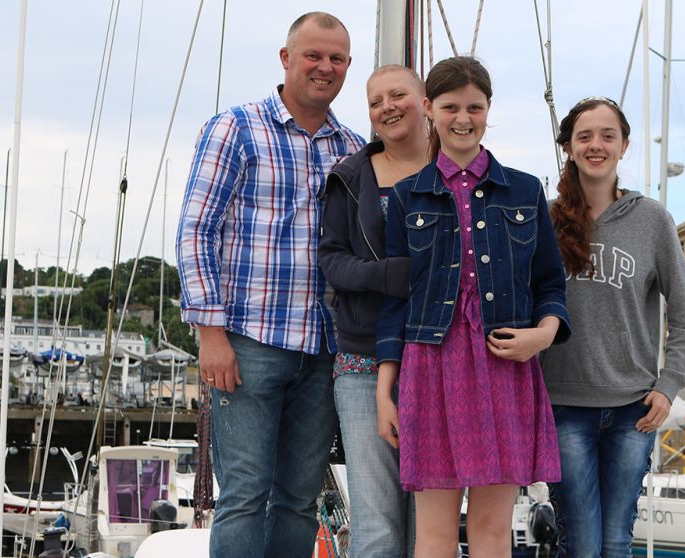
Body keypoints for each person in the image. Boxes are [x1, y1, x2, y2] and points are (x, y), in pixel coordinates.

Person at [176, 12, 365, 558]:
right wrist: (210, 333)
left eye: (337, 58)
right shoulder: (235, 128)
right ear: (286, 58)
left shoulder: (352, 148)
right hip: (248, 342)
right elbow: (196, 230)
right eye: (314, 55)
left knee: (298, 500)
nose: (325, 67)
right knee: (243, 495)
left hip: (324, 349)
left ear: (348, 67)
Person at [375, 56, 571, 558]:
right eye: (451, 106)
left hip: (505, 365)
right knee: (435, 534)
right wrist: (384, 391)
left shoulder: (525, 190)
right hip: (431, 367)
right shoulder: (404, 198)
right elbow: (396, 300)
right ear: (429, 110)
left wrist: (543, 334)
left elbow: (550, 283)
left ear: (488, 111)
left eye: (475, 107)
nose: (463, 118)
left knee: (491, 531)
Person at [541, 97, 685, 557]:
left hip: (634, 411)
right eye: (585, 136)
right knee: (582, 545)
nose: (597, 145)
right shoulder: (545, 221)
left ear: (624, 146)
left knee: (615, 544)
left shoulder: (652, 220)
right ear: (569, 148)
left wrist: (668, 386)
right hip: (563, 408)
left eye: (607, 136)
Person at [318, 64, 430, 557]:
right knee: (377, 522)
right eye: (375, 100)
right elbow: (331, 262)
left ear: (424, 102)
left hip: (440, 359)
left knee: (431, 526)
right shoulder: (349, 177)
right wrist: (389, 274)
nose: (387, 107)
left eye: (398, 94)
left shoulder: (458, 170)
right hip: (363, 361)